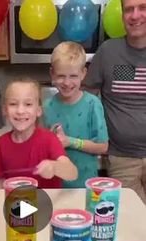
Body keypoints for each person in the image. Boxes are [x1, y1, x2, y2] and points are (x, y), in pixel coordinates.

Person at [83, 0, 146, 204]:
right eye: (129, 9)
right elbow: (87, 100)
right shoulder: (109, 52)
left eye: (142, 8)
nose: (135, 15)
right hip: (122, 159)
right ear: (122, 16)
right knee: (132, 222)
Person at [0, 77, 78, 189]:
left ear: (38, 111)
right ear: (5, 111)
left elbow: (72, 173)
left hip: (48, 203)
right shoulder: (0, 144)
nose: (20, 111)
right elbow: (0, 182)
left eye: (28, 104)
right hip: (16, 204)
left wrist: (55, 167)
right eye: (13, 104)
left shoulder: (49, 140)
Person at [42, 41, 109, 188]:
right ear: (52, 73)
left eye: (73, 76)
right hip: (54, 186)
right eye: (61, 76)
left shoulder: (92, 104)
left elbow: (103, 146)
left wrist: (69, 141)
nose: (67, 82)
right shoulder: (46, 107)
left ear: (83, 74)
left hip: (84, 186)